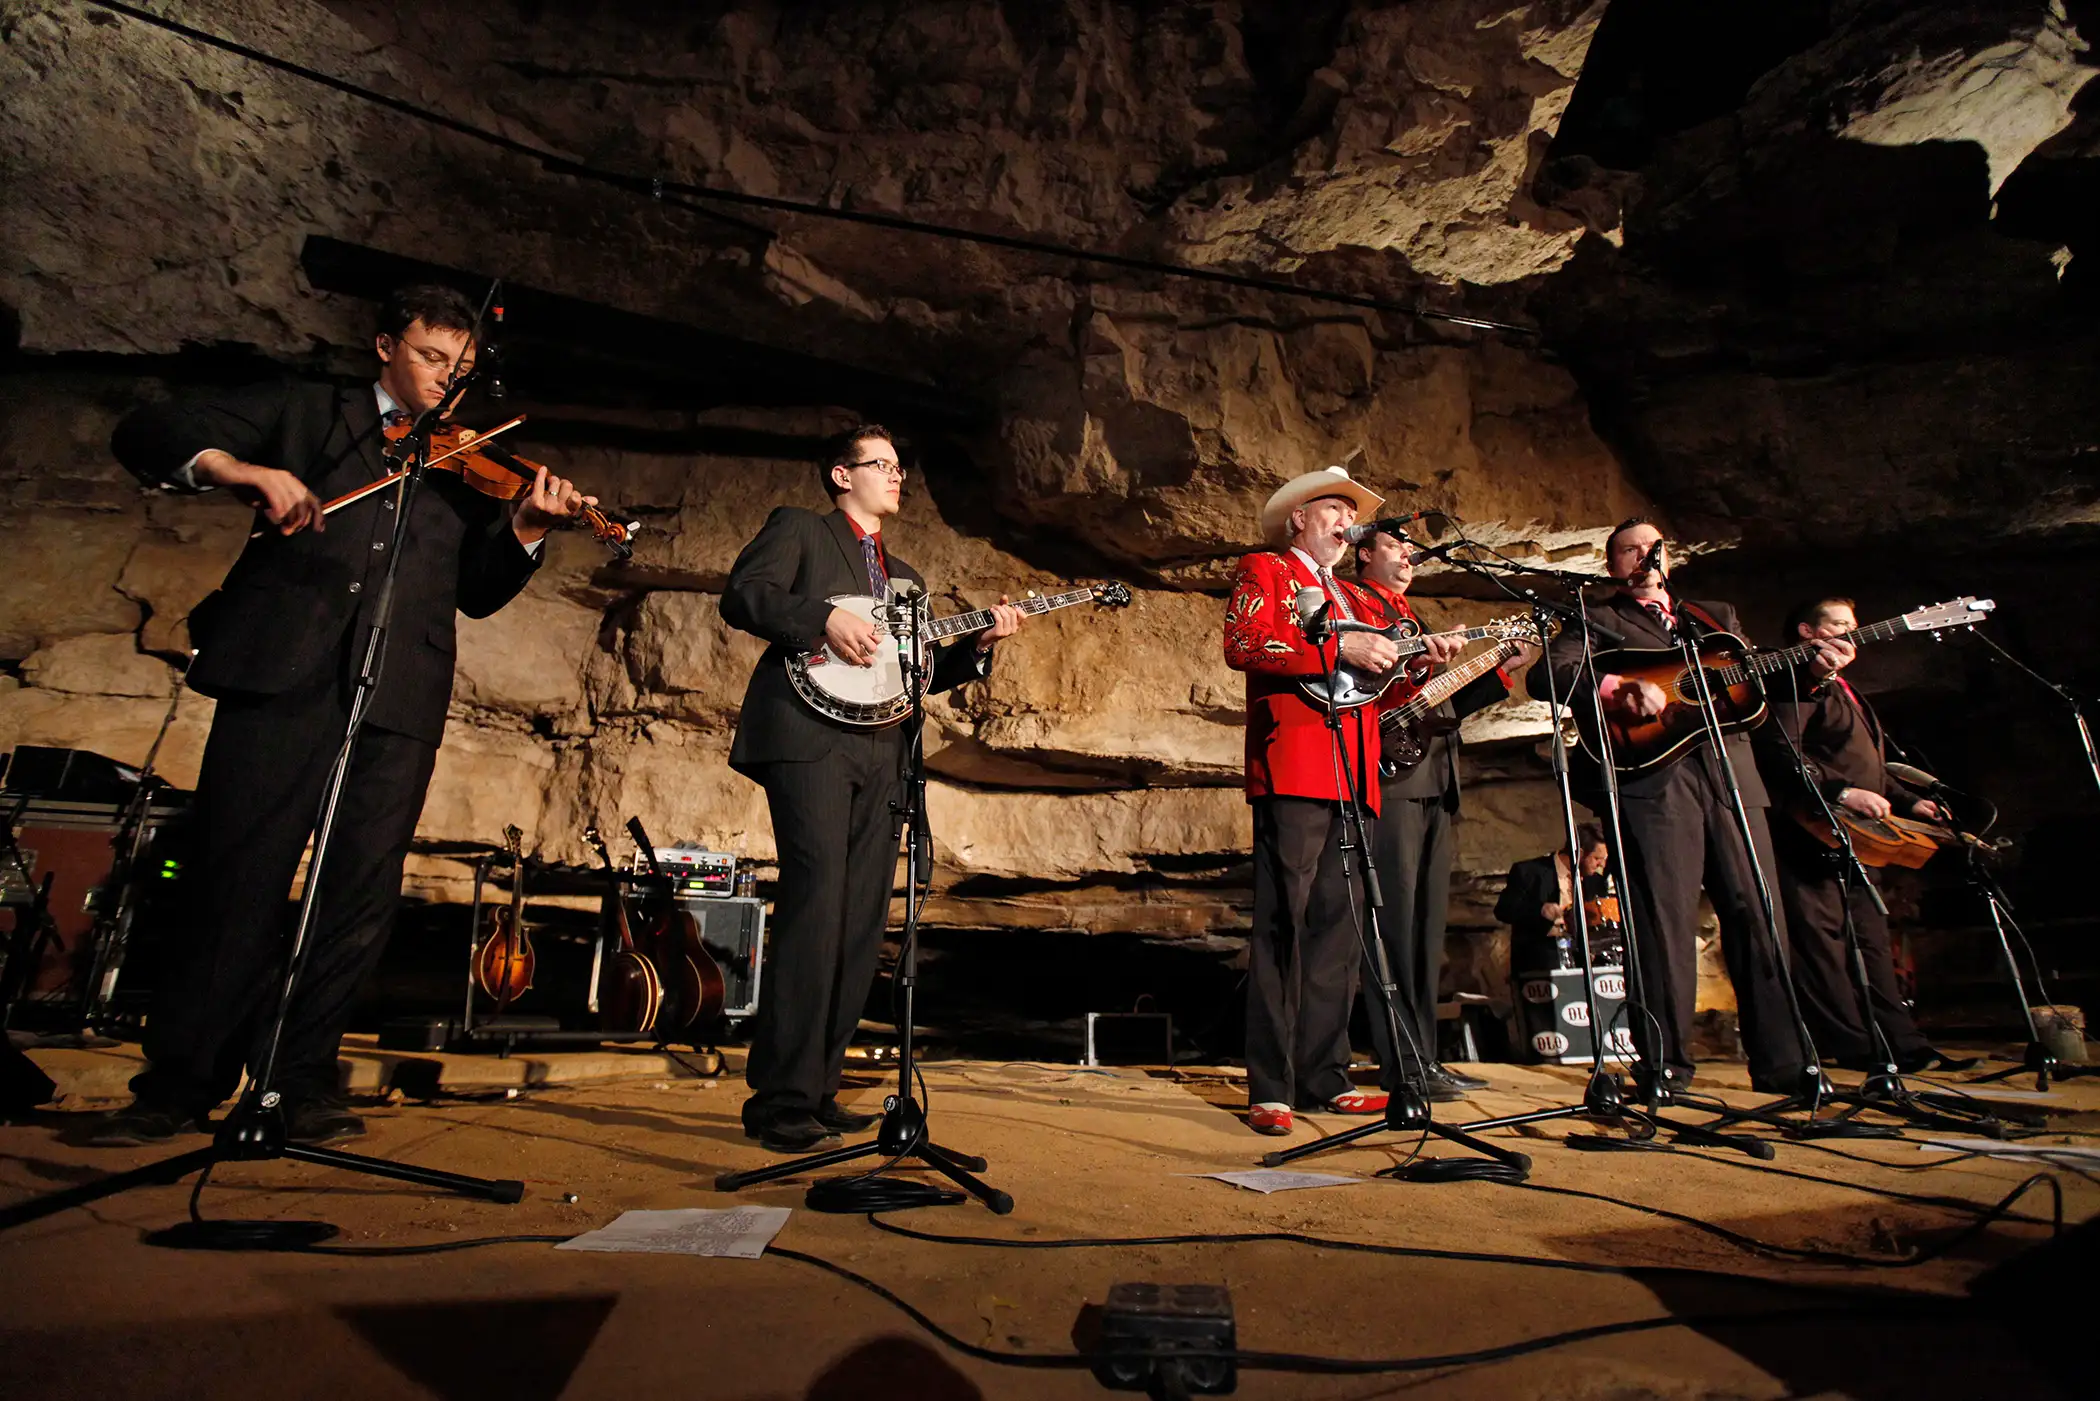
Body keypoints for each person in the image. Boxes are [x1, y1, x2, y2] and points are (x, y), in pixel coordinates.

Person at [93, 284, 593, 1146]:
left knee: (358, 890)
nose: (450, 379)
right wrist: (240, 469)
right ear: (384, 347)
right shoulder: (305, 412)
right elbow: (149, 431)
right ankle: (176, 1084)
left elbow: (475, 593)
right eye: (435, 358)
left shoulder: (466, 462)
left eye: (463, 368)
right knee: (234, 877)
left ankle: (300, 1081)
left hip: (399, 692)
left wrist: (524, 529)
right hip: (282, 675)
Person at [722, 425, 1022, 1153]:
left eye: (898, 467)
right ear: (839, 474)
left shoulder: (907, 577)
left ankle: (820, 1087)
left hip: (882, 751)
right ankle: (780, 1096)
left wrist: (973, 653)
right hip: (808, 740)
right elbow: (745, 595)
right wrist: (823, 615)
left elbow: (909, 674)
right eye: (881, 464)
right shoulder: (800, 530)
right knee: (817, 902)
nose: (897, 477)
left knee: (860, 920)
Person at [1527, 519, 1833, 1096]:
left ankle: (1787, 1064)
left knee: (1759, 914)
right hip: (1654, 783)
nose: (1644, 556)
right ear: (1613, 564)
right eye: (1629, 550)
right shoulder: (1594, 616)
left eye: (1653, 547)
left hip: (1732, 777)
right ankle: (1664, 1067)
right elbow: (1551, 673)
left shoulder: (1713, 616)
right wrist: (1615, 686)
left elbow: (1752, 683)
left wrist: (1811, 674)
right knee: (1662, 923)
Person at [1222, 466, 1433, 1136]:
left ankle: (1324, 1075)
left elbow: (1383, 689)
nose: (1346, 523)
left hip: (1355, 768)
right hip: (1293, 763)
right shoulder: (1265, 568)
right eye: (1333, 510)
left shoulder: (1354, 594)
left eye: (1351, 514)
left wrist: (1423, 661)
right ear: (1297, 520)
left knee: (1340, 930)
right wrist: (1343, 643)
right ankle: (1271, 1083)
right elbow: (1244, 643)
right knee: (1283, 918)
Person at [1751, 597, 1968, 1074]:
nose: (1850, 632)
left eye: (1853, 624)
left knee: (1871, 937)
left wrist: (1910, 801)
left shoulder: (1846, 689)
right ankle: (1852, 1046)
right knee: (1821, 943)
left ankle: (1904, 1044)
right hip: (1811, 826)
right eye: (1838, 625)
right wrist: (1842, 791)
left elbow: (1863, 760)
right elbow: (1780, 751)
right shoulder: (1792, 682)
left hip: (1859, 833)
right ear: (1808, 632)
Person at [1351, 529, 1519, 1099]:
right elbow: (1363, 690)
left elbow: (1435, 706)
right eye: (1394, 545)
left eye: (1412, 548)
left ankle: (1424, 1057)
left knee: (1425, 935)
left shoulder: (1412, 619)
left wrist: (1499, 667)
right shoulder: (1355, 606)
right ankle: (1399, 1061)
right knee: (1394, 929)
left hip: (1433, 780)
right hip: (1390, 784)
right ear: (1364, 554)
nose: (1407, 554)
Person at [1496, 825, 1611, 978]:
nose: (1602, 865)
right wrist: (1540, 910)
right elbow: (1503, 910)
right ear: (1579, 853)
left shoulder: (1595, 881)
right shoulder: (1530, 872)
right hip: (1542, 960)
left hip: (1587, 957)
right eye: (1597, 859)